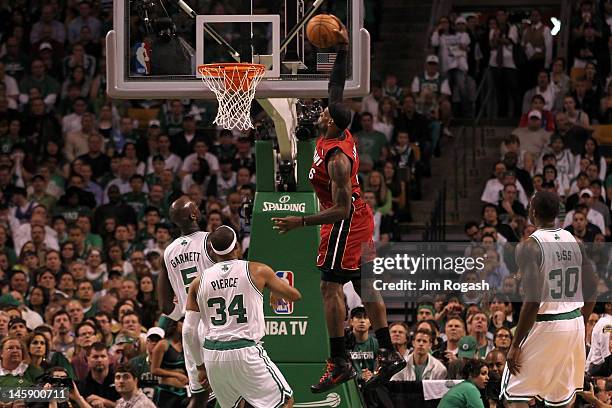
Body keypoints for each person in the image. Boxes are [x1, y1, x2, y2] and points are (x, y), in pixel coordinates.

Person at [272, 21, 405, 393]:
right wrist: (342, 47)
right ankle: (390, 353)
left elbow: (341, 210)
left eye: (325, 114)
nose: (321, 113)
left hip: (346, 220)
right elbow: (337, 83)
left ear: (331, 123)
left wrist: (302, 220)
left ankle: (340, 361)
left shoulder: (338, 161)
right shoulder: (336, 125)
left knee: (330, 288)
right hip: (358, 218)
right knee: (366, 283)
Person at [183, 226, 301, 408]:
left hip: (213, 356)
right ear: (237, 246)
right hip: (245, 350)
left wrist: (200, 366)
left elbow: (189, 332)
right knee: (285, 401)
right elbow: (294, 295)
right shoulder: (258, 271)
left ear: (212, 252)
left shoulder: (198, 282)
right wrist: (276, 291)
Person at [501, 191, 598, 406]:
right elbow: (593, 290)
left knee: (514, 393)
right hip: (573, 323)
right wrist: (580, 321)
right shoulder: (575, 241)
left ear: (532, 212)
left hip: (546, 323)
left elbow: (534, 300)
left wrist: (515, 344)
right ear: (557, 213)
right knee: (561, 398)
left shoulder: (529, 246)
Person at [157, 196, 214, 408]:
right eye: (195, 206)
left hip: (189, 327)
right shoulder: (210, 241)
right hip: (215, 324)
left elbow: (165, 306)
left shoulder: (168, 252)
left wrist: (179, 313)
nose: (198, 208)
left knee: (198, 396)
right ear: (193, 215)